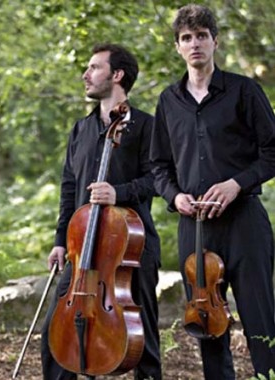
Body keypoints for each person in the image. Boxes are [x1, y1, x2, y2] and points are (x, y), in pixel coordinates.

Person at [150, 4, 275, 378]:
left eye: (201, 36)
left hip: (244, 225)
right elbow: (158, 167)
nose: (194, 44)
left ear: (215, 41)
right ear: (177, 46)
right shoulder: (168, 102)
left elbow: (272, 151)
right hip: (195, 228)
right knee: (208, 327)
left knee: (261, 320)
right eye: (186, 38)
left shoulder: (243, 90)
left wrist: (236, 183)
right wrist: (175, 196)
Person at [40, 44, 162, 380]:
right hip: (83, 248)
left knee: (143, 340)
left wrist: (118, 193)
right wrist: (60, 241)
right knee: (55, 332)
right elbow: (69, 189)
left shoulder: (146, 127)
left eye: (94, 67)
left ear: (117, 75)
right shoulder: (81, 130)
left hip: (130, 248)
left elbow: (159, 179)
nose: (85, 74)